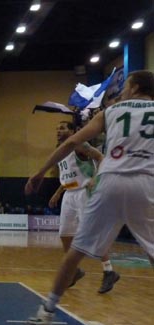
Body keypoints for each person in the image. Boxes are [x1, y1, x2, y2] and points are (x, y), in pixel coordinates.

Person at [25, 70, 154, 325]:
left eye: (125, 87)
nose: (122, 91)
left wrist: (40, 172)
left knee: (75, 252)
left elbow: (72, 142)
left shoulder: (110, 112)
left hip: (110, 181)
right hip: (145, 182)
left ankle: (47, 311)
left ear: (135, 87)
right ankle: (106, 271)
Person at [47, 120, 120, 293]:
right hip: (69, 193)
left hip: (84, 192)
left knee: (93, 233)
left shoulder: (79, 144)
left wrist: (95, 178)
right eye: (57, 128)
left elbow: (101, 158)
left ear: (72, 131)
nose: (58, 131)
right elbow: (68, 174)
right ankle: (75, 271)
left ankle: (109, 271)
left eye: (62, 128)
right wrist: (58, 192)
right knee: (65, 234)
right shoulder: (61, 148)